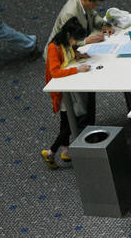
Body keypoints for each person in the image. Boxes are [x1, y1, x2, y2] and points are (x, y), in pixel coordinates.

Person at [44, 0, 114, 125]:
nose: (94, 8)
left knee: (87, 93)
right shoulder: (69, 13)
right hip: (61, 56)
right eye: (93, 5)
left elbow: (93, 16)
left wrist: (103, 25)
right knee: (78, 96)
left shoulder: (81, 2)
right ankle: (80, 127)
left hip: (72, 53)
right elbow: (67, 39)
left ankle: (86, 123)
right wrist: (86, 40)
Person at [41, 17, 91, 169]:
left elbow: (69, 54)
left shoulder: (66, 43)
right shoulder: (53, 48)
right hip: (62, 90)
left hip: (69, 85)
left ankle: (65, 150)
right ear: (69, 35)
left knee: (65, 121)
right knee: (72, 122)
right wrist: (77, 69)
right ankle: (51, 151)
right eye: (75, 39)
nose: (76, 43)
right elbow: (55, 72)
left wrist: (77, 56)